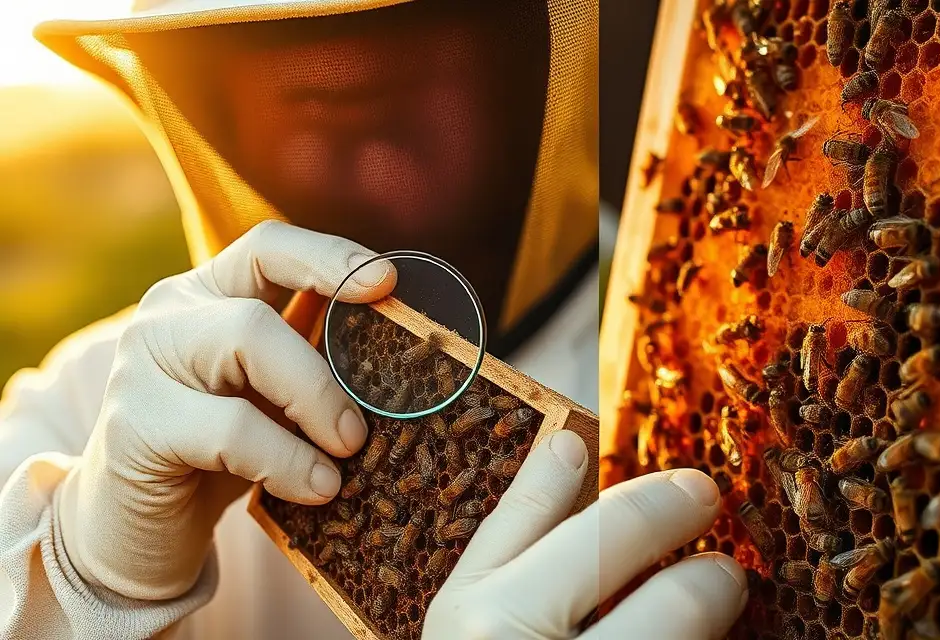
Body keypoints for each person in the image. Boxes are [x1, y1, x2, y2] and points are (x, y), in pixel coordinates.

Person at [0, 0, 749, 638]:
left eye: (410, 87)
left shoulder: (725, 346)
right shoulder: (79, 413)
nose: (372, 166)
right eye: (308, 103)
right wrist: (80, 579)